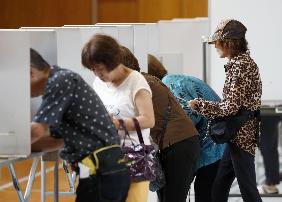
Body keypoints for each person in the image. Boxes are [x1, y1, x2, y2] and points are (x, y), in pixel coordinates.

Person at [30, 48, 130, 202]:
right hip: (104, 170)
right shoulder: (61, 81)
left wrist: (9, 143)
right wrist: (19, 148)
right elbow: (57, 140)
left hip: (101, 171)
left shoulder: (60, 81)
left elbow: (37, 131)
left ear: (30, 73)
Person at [188, 19, 262, 202]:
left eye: (218, 42)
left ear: (229, 43)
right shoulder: (241, 63)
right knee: (219, 185)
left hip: (240, 135)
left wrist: (200, 105)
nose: (215, 46)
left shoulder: (239, 66)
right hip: (236, 134)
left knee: (248, 190)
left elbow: (230, 107)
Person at [120, 46, 200, 202]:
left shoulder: (140, 84)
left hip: (179, 144)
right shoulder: (145, 80)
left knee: (172, 198)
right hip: (177, 143)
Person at [81, 34, 155, 202]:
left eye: (100, 69)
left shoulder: (136, 81)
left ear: (113, 61)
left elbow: (149, 119)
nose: (97, 74)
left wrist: (118, 124)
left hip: (134, 155)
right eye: (93, 69)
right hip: (107, 155)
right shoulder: (98, 82)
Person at [147, 54, 225, 202]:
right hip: (215, 143)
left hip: (213, 147)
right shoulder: (173, 80)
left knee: (204, 195)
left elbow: (187, 119)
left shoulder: (168, 85)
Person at [258, 117, 281, 194]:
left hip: (269, 107)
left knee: (267, 144)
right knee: (270, 144)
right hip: (276, 107)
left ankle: (271, 185)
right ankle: (271, 183)